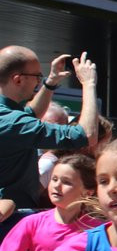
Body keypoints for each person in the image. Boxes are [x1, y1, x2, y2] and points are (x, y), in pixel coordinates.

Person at [0, 48, 99, 207]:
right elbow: (86, 135)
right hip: (11, 218)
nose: (39, 81)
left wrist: (51, 82)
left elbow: (32, 113)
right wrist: (89, 84)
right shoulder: (13, 122)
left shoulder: (8, 116)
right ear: (18, 80)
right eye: (37, 76)